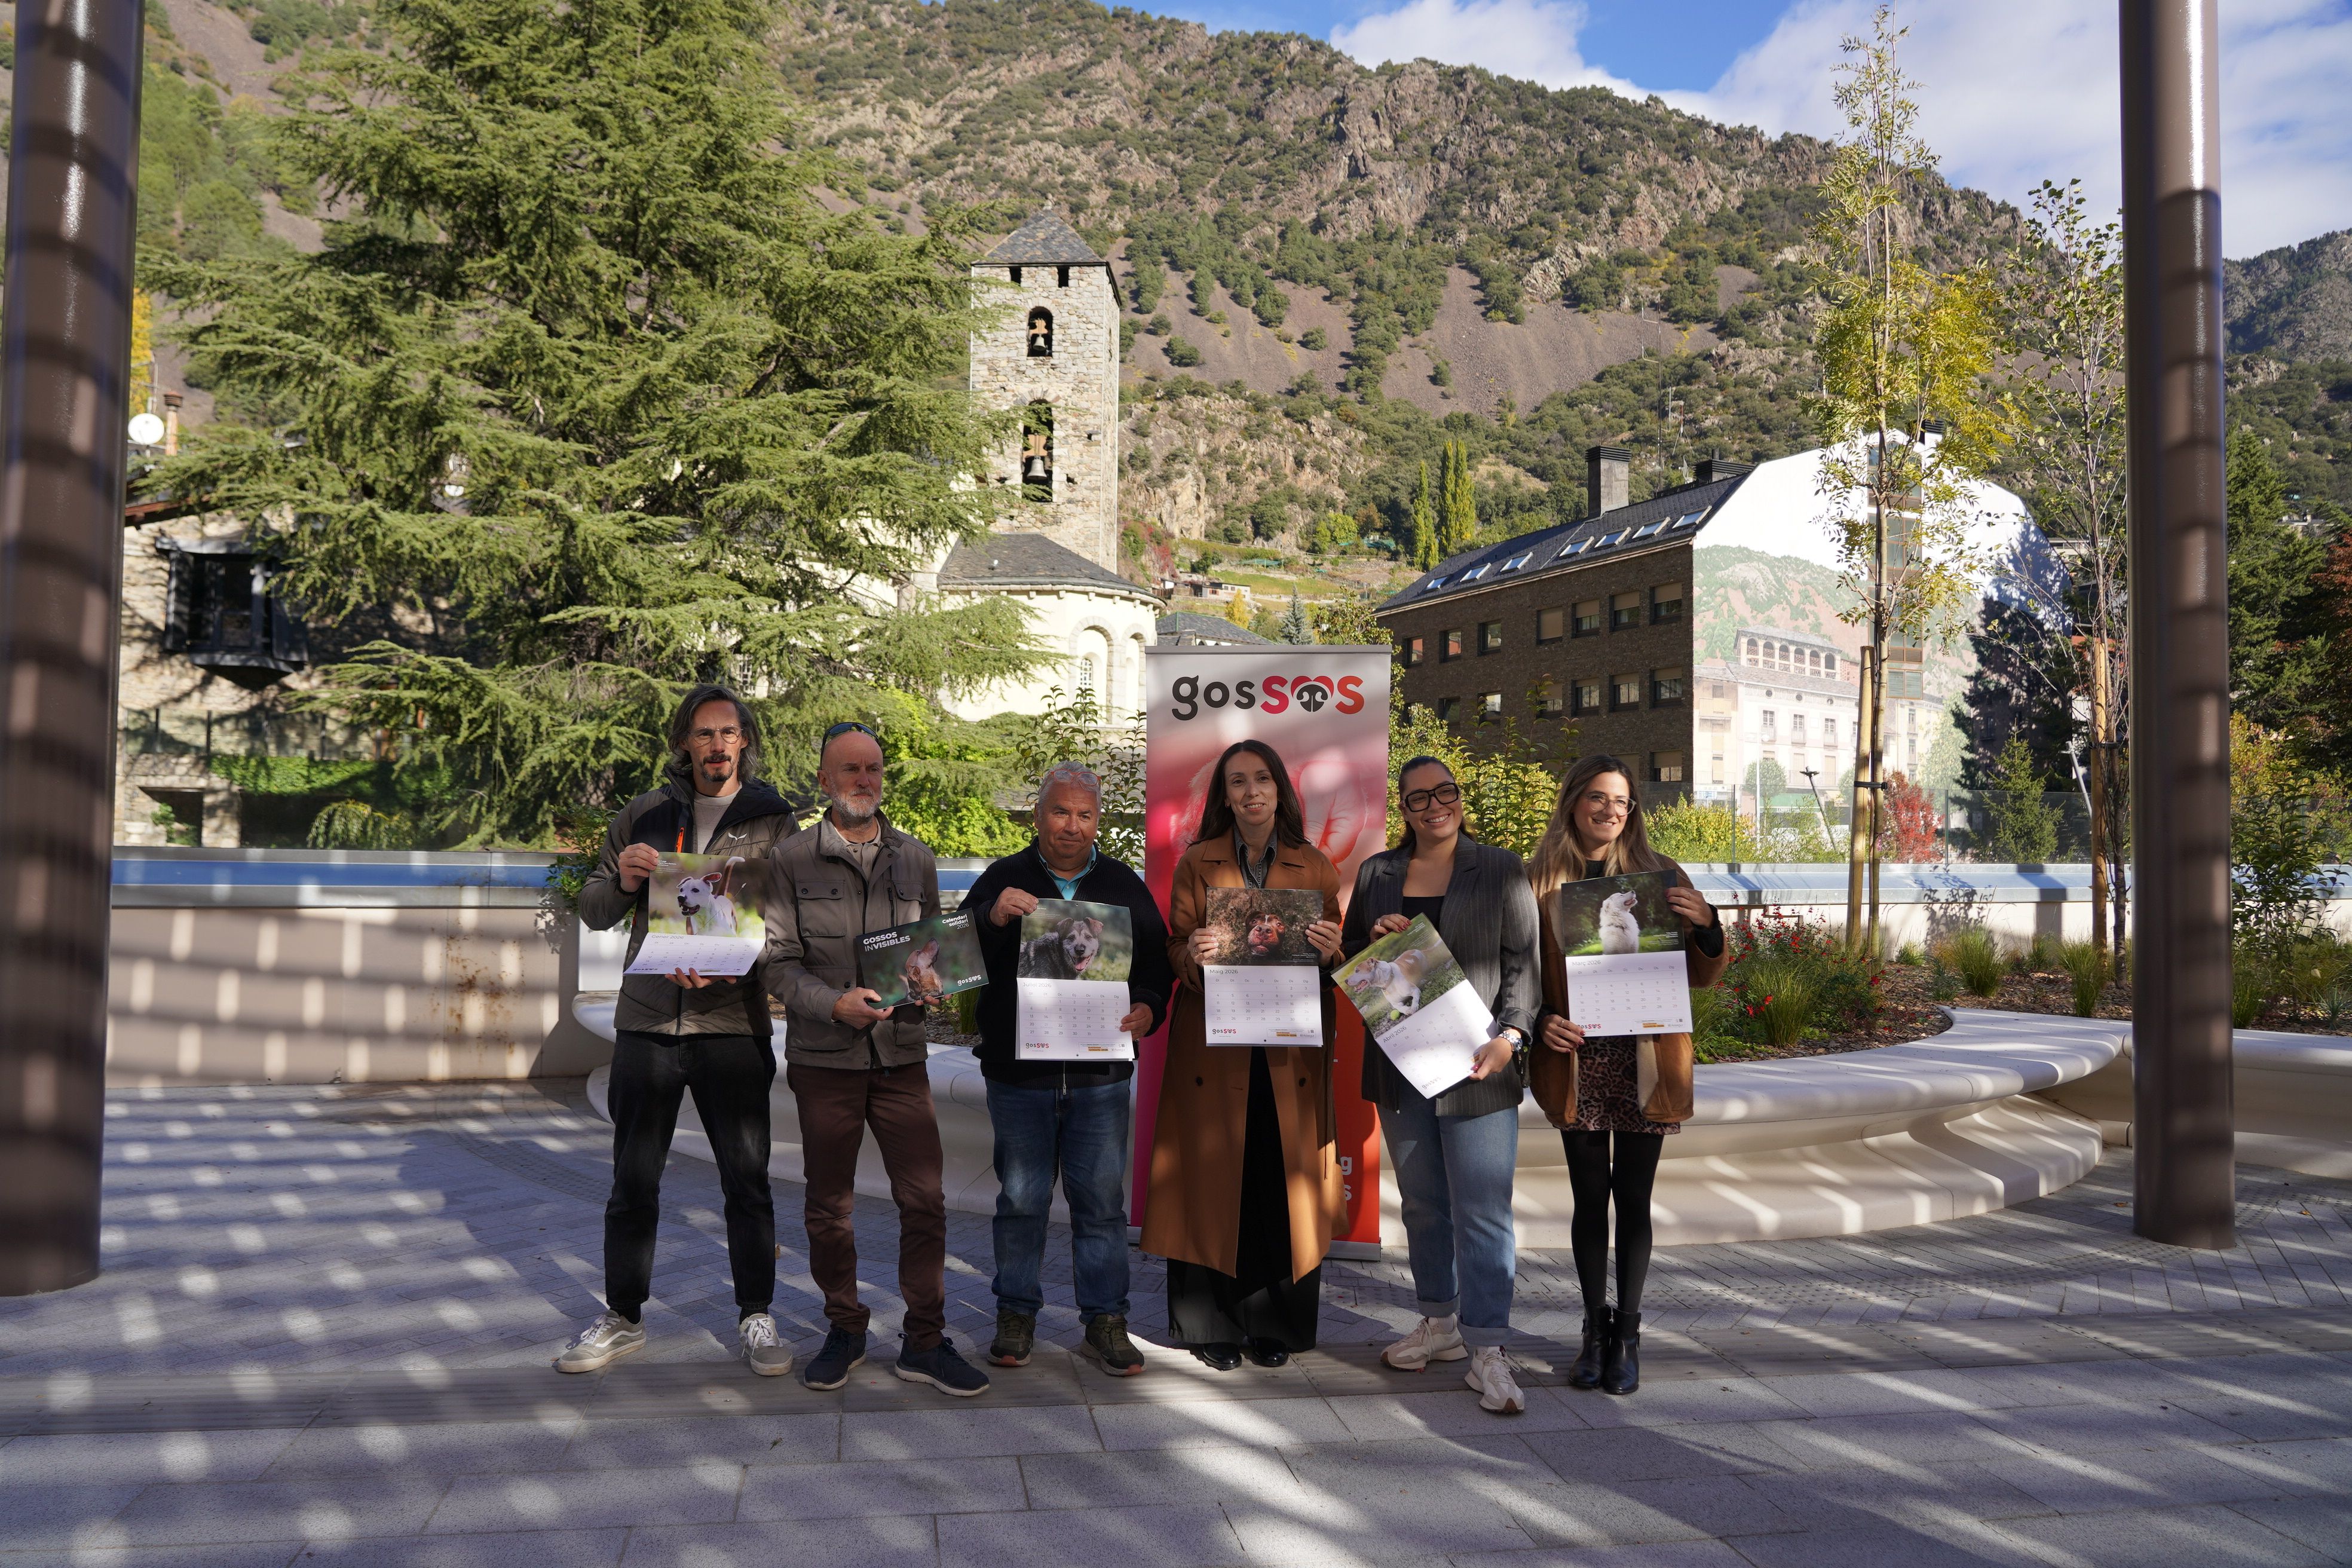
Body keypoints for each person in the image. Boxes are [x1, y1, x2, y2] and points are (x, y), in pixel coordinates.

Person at [562, 685, 800, 1378]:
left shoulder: (774, 821)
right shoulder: (643, 815)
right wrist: (628, 879)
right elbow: (597, 907)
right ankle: (623, 1316)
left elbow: (785, 925)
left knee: (747, 1181)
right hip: (648, 1021)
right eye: (704, 733)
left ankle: (756, 1313)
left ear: (745, 742)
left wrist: (730, 966)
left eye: (729, 732)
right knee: (633, 1180)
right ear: (684, 744)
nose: (718, 745)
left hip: (733, 1021)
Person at [764, 722, 989, 1397]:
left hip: (900, 1058)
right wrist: (835, 1003)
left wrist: (934, 977)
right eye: (851, 769)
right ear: (824, 780)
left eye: (875, 769)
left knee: (924, 1199)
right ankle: (846, 1326)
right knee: (829, 1206)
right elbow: (775, 964)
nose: (866, 779)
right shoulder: (791, 859)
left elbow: (934, 955)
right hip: (824, 1058)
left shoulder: (914, 857)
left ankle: (924, 1339)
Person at [1339, 755, 1539, 1414]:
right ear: (1403, 808)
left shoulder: (1501, 867)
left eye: (1444, 792)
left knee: (1484, 1209)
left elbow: (1522, 965)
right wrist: (1371, 937)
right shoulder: (1378, 874)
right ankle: (1440, 1323)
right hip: (1402, 1064)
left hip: (1478, 1065)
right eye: (1418, 797)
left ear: (1460, 797)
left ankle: (1489, 1347)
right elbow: (1348, 960)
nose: (1434, 806)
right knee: (1425, 1203)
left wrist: (1510, 1037)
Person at [963, 763, 1174, 1376]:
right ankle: (1016, 1315)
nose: (1072, 825)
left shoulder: (1122, 884)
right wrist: (991, 916)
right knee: (1020, 1199)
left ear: (1098, 820)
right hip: (1018, 1073)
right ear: (1038, 814)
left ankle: (1106, 1320)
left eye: (1085, 814)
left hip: (1099, 1076)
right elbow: (952, 960)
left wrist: (1149, 1007)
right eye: (1061, 811)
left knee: (1102, 1204)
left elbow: (1158, 966)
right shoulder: (1002, 877)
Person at [1144, 739, 1347, 1370]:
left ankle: (1273, 1325)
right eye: (1238, 782)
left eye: (1262, 779)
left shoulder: (1315, 866)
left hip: (1287, 1054)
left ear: (1281, 790)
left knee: (1273, 1180)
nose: (1251, 791)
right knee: (1213, 1182)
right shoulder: (1197, 863)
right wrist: (1194, 953)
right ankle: (1213, 1325)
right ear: (1224, 794)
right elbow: (1172, 948)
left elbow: (1337, 952)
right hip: (1216, 1051)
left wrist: (1328, 947)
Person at [1528, 755, 1727, 1397]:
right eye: (1597, 797)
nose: (1610, 810)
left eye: (1621, 801)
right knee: (1589, 1199)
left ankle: (1629, 1334)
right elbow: (1516, 971)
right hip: (1579, 1058)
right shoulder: (1539, 882)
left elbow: (1702, 974)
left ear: (1632, 809)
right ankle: (1593, 1329)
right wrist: (1538, 1020)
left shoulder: (1662, 875)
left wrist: (1709, 926)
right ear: (1572, 802)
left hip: (1645, 1056)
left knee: (1633, 1198)